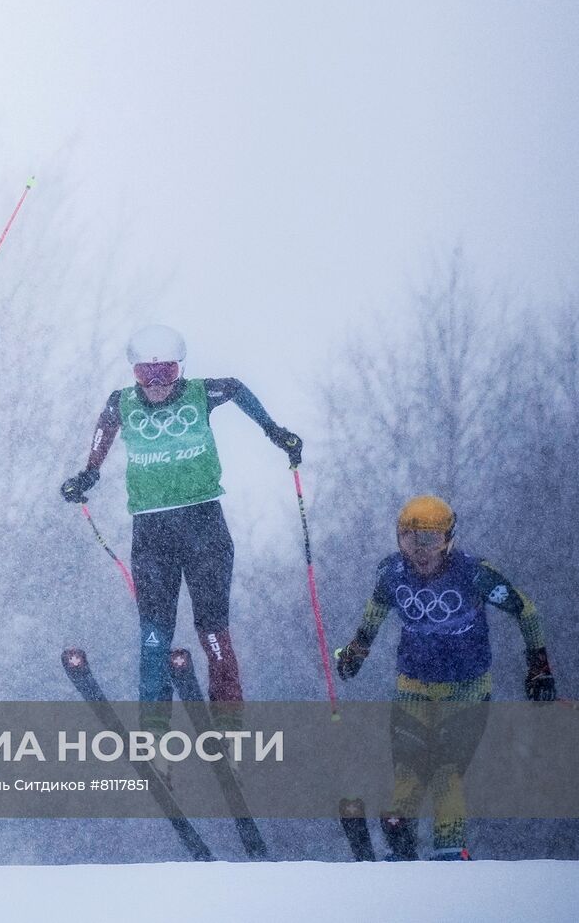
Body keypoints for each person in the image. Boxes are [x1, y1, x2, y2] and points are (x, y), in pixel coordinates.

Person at [59, 325, 302, 731]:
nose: (156, 383)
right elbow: (104, 430)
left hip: (203, 523)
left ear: (180, 369)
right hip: (152, 531)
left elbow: (237, 388)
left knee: (213, 629)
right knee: (154, 635)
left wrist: (275, 432)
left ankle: (228, 720)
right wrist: (88, 474)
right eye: (145, 373)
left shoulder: (201, 393)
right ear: (134, 372)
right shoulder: (122, 402)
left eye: (166, 372)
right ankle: (154, 724)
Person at [335, 495, 557, 861]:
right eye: (410, 540)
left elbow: (526, 610)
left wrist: (539, 666)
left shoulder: (473, 573)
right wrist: (355, 652)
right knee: (407, 774)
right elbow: (373, 615)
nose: (420, 551)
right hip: (412, 686)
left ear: (448, 539)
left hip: (467, 689)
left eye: (430, 540)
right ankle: (401, 845)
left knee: (445, 773)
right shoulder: (392, 573)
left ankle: (450, 854)